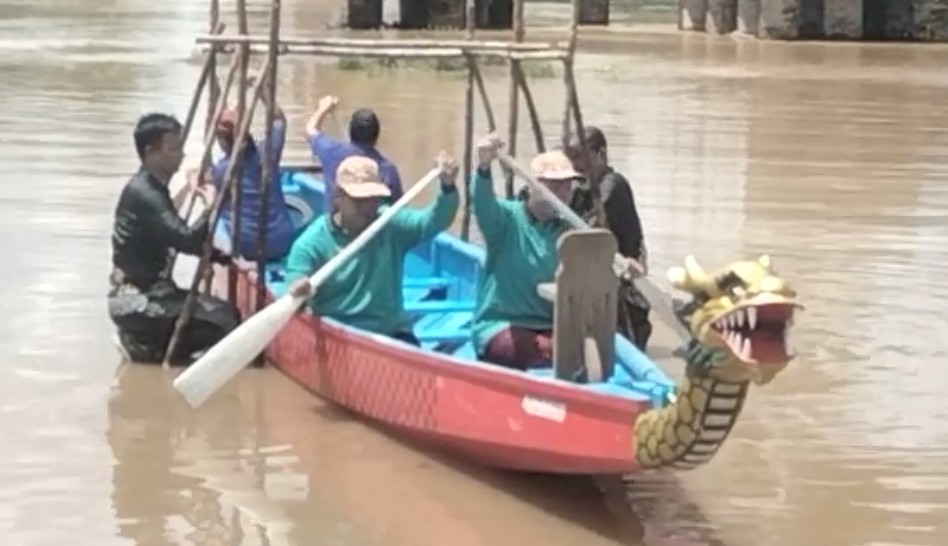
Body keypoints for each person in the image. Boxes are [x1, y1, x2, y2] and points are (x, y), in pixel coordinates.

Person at [285, 152, 459, 345]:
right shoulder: (313, 242)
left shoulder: (390, 223)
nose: (367, 208)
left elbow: (433, 221)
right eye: (359, 200)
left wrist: (448, 187)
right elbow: (295, 277)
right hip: (336, 336)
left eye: (372, 199)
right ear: (338, 197)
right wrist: (297, 288)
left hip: (389, 332)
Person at [108, 113, 240, 365]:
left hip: (149, 293)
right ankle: (149, 351)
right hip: (136, 301)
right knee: (225, 322)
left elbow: (178, 238)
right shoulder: (145, 193)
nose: (180, 155)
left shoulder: (154, 189)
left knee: (219, 314)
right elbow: (187, 239)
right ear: (151, 152)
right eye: (173, 149)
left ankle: (152, 348)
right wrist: (212, 204)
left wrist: (219, 257)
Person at [468, 134, 582, 370]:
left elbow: (598, 265)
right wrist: (484, 166)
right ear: (534, 186)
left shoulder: (569, 231)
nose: (563, 192)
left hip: (549, 325)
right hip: (502, 323)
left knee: (584, 348)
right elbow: (482, 203)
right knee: (513, 347)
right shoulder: (507, 219)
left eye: (567, 185)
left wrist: (624, 267)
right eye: (555, 185)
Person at [566, 126, 652, 352]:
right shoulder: (579, 185)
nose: (573, 164)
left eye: (577, 156)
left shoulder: (613, 185)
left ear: (599, 154)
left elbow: (586, 226)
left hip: (625, 274)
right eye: (570, 157)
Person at [211, 74, 296, 261]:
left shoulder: (221, 170)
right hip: (282, 241)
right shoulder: (267, 152)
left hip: (247, 247)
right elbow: (279, 119)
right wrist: (261, 89)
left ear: (221, 140)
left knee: (217, 207)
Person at [304, 95, 404, 211]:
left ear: (351, 131)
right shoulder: (388, 169)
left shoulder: (331, 152)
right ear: (376, 136)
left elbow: (310, 130)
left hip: (336, 227)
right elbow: (398, 209)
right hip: (372, 228)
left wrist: (324, 107)